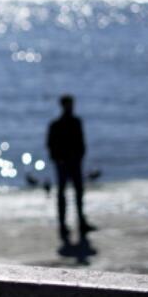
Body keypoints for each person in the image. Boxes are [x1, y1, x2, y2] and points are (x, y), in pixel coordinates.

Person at [46, 95, 94, 246]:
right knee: (62, 194)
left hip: (75, 163)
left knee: (78, 193)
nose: (71, 107)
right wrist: (59, 159)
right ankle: (62, 225)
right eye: (68, 104)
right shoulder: (56, 124)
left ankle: (81, 222)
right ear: (63, 105)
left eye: (71, 104)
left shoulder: (76, 122)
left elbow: (81, 142)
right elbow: (51, 144)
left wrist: (79, 157)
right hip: (63, 164)